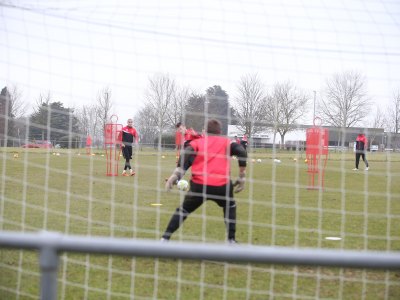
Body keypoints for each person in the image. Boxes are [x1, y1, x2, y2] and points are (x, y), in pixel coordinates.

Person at [162, 119, 247, 243]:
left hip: (199, 186)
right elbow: (241, 151)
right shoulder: (227, 142)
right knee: (230, 206)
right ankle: (231, 241)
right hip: (221, 186)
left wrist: (176, 173)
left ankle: (164, 239)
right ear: (220, 131)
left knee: (183, 210)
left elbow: (186, 152)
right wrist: (242, 176)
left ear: (205, 131)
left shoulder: (198, 142)